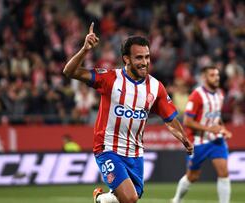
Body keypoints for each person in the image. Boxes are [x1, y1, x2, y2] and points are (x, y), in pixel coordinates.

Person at [63, 22, 193, 203]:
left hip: (135, 151)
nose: (145, 62)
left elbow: (170, 119)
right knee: (130, 198)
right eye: (139, 58)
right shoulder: (109, 79)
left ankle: (100, 198)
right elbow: (69, 71)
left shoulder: (156, 87)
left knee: (131, 197)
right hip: (107, 148)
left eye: (147, 57)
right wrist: (85, 50)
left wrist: (184, 139)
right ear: (126, 59)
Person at [171, 65, 232, 203]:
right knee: (193, 176)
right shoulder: (196, 95)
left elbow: (216, 116)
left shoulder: (220, 93)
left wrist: (223, 129)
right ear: (204, 78)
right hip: (198, 142)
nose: (216, 78)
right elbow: (187, 121)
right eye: (212, 75)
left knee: (224, 173)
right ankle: (177, 199)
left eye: (217, 75)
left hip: (216, 140)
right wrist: (210, 129)